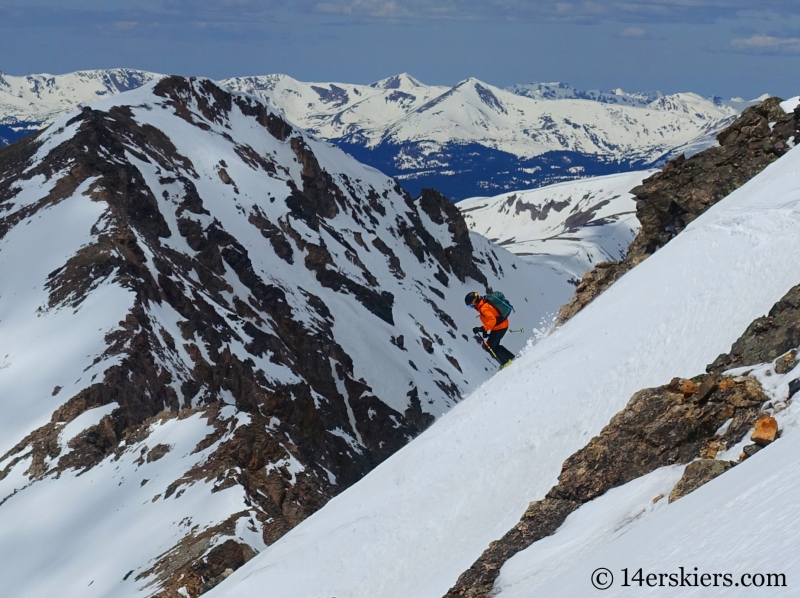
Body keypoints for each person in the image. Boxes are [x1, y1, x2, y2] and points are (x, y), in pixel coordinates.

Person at [465, 291, 515, 368]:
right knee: (492, 345)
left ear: (474, 301)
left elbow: (493, 320)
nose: (471, 307)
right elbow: (490, 319)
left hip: (500, 327)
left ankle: (507, 362)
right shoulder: (483, 303)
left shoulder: (483, 308)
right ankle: (510, 358)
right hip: (500, 326)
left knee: (490, 346)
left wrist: (481, 329)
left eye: (470, 306)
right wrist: (485, 330)